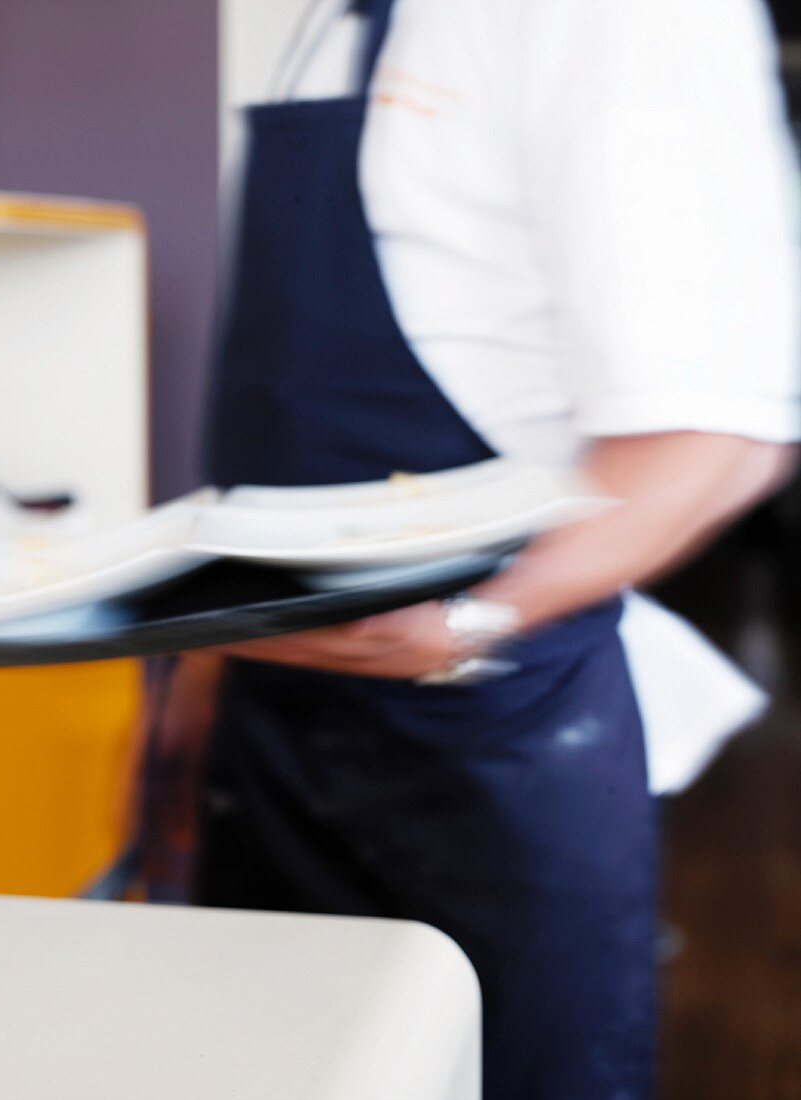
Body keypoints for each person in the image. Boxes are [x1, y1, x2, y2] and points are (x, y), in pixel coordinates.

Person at [139, 1, 800, 1096]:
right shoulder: (328, 24)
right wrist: (210, 658)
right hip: (273, 727)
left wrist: (467, 621)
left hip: (488, 726)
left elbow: (720, 436)